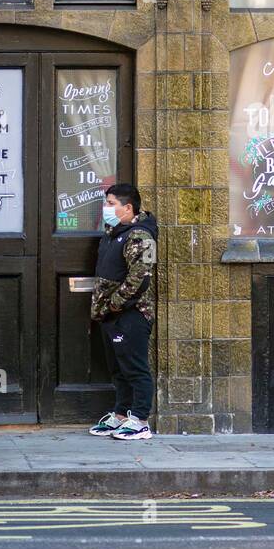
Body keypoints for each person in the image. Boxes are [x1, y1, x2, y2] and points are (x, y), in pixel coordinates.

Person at [89, 183, 158, 441]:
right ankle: (120, 415)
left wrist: (116, 303)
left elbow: (141, 278)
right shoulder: (114, 232)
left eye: (111, 203)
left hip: (131, 314)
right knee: (118, 369)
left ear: (128, 207)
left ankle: (140, 420)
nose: (106, 208)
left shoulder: (140, 236)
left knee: (135, 368)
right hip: (110, 314)